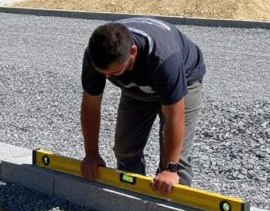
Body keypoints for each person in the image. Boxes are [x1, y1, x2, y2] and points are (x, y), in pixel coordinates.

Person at [79, 18, 206, 194]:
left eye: (114, 72)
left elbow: (174, 116)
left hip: (185, 79)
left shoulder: (164, 59)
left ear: (132, 51)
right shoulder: (96, 56)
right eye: (103, 73)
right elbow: (90, 106)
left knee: (177, 162)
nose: (107, 77)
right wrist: (91, 153)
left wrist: (169, 169)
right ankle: (132, 200)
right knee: (125, 149)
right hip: (137, 88)